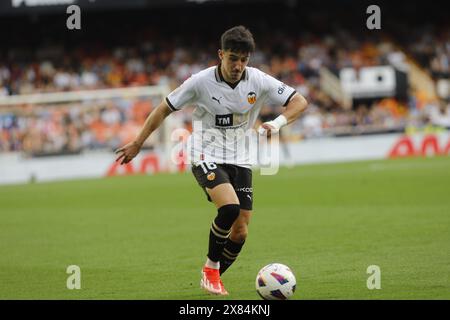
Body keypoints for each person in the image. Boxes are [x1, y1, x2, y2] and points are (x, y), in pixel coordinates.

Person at [115, 25, 308, 296]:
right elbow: (163, 108)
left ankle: (213, 276)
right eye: (233, 58)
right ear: (221, 54)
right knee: (229, 208)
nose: (238, 65)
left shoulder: (259, 80)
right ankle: (210, 270)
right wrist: (138, 142)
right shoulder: (200, 82)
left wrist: (274, 124)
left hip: (241, 159)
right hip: (203, 153)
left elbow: (299, 101)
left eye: (243, 59)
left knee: (240, 232)